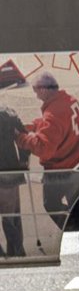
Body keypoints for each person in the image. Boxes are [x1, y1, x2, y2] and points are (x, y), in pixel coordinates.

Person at [17, 72, 79, 229]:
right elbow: (58, 125)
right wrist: (33, 126)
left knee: (51, 204)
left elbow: (44, 149)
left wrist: (21, 138)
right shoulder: (69, 100)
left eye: (36, 91)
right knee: (74, 201)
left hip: (61, 170)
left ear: (43, 89)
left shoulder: (53, 113)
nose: (36, 96)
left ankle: (72, 229)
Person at [0, 106, 28, 257]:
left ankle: (14, 252)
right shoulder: (8, 114)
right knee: (11, 215)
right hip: (9, 170)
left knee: (11, 216)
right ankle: (16, 251)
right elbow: (24, 137)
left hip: (8, 172)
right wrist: (23, 160)